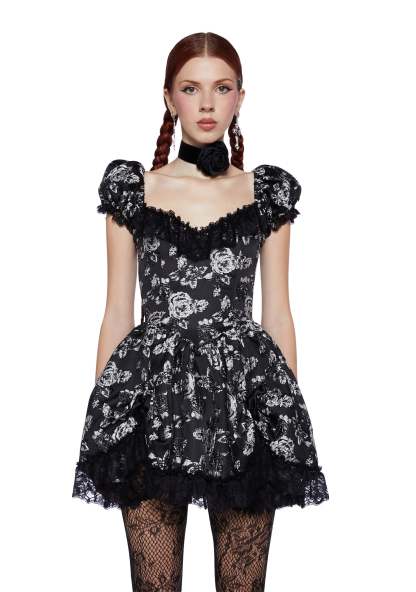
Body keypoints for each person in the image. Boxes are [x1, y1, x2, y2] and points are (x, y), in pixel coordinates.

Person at [72, 31, 329, 591]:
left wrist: (283, 421)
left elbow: (277, 314)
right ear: (169, 98)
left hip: (242, 403)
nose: (207, 103)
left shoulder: (266, 193)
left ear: (241, 97)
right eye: (191, 89)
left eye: (222, 88)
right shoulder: (133, 191)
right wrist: (106, 419)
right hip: (151, 403)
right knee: (155, 585)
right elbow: (116, 311)